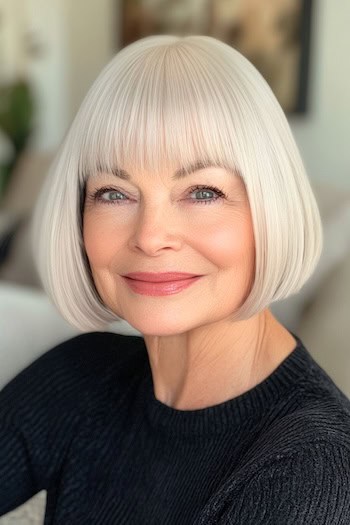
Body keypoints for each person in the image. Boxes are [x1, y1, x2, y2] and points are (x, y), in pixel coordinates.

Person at [1, 34, 350, 524]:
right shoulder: (80, 378)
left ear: (270, 211)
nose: (150, 236)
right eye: (114, 193)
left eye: (203, 191)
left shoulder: (312, 472)